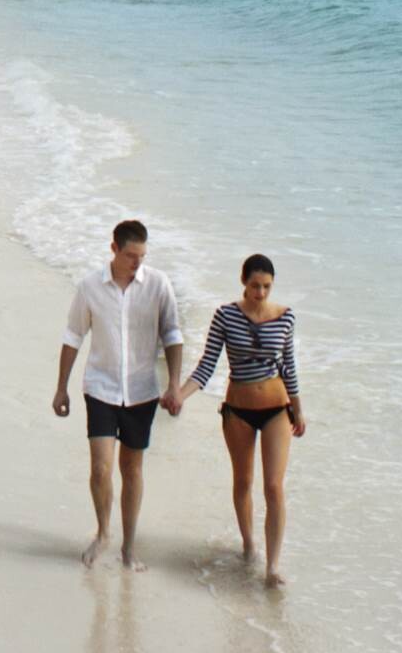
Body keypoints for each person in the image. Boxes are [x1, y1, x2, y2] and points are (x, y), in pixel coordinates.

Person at [48, 217, 184, 566]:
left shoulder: (158, 285)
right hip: (101, 387)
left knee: (132, 469)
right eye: (130, 255)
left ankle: (129, 546)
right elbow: (73, 336)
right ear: (114, 250)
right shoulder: (91, 287)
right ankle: (103, 532)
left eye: (141, 255)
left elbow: (172, 335)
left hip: (142, 391)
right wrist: (61, 388)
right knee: (100, 468)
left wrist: (174, 386)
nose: (137, 262)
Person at [184, 252, 303, 579]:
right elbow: (207, 365)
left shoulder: (285, 317)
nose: (260, 293)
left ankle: (273, 565)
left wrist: (299, 410)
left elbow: (289, 367)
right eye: (254, 286)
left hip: (277, 409)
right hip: (238, 410)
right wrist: (179, 395)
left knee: (274, 487)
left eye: (266, 286)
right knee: (243, 480)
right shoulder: (225, 316)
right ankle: (249, 543)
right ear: (243, 283)